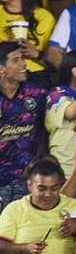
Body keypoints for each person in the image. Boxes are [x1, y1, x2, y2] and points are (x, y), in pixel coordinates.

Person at [0, 42, 47, 206]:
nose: (24, 64)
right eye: (16, 60)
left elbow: (45, 131)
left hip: (27, 179)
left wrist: (37, 161)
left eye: (22, 58)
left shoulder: (36, 93)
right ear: (1, 68)